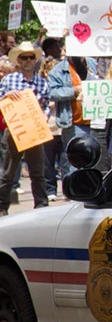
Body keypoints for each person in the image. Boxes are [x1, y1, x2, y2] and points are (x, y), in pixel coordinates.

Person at [0, 42, 49, 215]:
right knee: (8, 171)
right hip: (14, 130)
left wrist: (46, 115)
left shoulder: (42, 83)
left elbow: (47, 105)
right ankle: (2, 206)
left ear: (35, 59)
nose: (28, 60)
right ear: (18, 60)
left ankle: (41, 206)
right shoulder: (8, 80)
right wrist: (5, 96)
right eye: (24, 57)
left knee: (37, 171)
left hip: (35, 131)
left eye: (31, 57)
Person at [40, 57, 64, 201]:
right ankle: (50, 190)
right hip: (47, 127)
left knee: (65, 161)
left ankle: (67, 190)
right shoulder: (42, 86)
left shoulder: (62, 86)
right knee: (47, 162)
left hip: (62, 127)